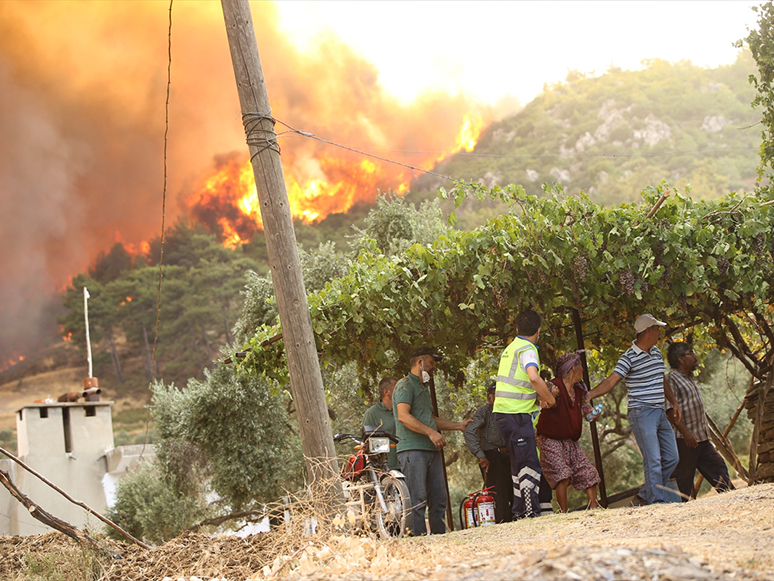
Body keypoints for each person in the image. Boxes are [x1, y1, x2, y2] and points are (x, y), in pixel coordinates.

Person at [588, 314, 682, 505]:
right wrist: (588, 396)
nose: (660, 333)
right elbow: (611, 381)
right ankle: (656, 502)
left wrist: (674, 402)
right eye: (657, 329)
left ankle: (645, 495)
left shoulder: (656, 353)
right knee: (653, 460)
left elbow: (661, 378)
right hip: (642, 413)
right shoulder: (628, 358)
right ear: (649, 331)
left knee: (672, 458)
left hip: (660, 412)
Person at [393, 346, 472, 535]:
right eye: (431, 362)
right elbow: (403, 416)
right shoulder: (404, 385)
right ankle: (418, 542)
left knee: (438, 499)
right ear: (420, 363)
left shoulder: (423, 388)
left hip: (431, 450)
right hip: (412, 450)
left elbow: (430, 419)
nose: (434, 367)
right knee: (417, 500)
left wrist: (458, 425)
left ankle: (441, 539)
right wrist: (431, 433)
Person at [493, 309, 556, 520]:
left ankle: (520, 511)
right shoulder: (528, 349)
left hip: (504, 414)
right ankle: (530, 511)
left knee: (518, 464)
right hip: (516, 414)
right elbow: (533, 378)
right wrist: (549, 398)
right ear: (539, 330)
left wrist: (537, 400)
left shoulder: (511, 348)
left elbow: (519, 384)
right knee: (529, 462)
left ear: (517, 329)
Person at [665, 342, 735, 500]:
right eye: (691, 353)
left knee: (718, 467)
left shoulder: (688, 378)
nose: (695, 356)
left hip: (701, 438)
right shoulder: (672, 380)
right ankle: (678, 511)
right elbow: (670, 410)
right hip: (685, 440)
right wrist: (686, 433)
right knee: (683, 480)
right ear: (681, 359)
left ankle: (732, 498)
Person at [535, 351, 601, 512]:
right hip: (550, 439)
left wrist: (593, 414)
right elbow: (539, 398)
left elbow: (586, 411)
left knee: (589, 473)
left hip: (571, 440)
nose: (583, 371)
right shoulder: (553, 385)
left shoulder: (579, 391)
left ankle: (595, 508)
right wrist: (549, 398)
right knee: (562, 475)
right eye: (581, 368)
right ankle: (563, 513)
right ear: (574, 369)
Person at [463, 382, 513, 523]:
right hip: (492, 456)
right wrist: (480, 455)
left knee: (514, 490)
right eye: (495, 394)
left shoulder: (509, 409)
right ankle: (502, 524)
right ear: (489, 398)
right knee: (498, 493)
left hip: (509, 454)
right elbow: (469, 431)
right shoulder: (484, 412)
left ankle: (517, 521)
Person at [362, 377, 400, 471]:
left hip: (408, 463)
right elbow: (368, 443)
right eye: (397, 388)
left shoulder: (404, 410)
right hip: (387, 468)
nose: (401, 391)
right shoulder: (372, 413)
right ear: (386, 392)